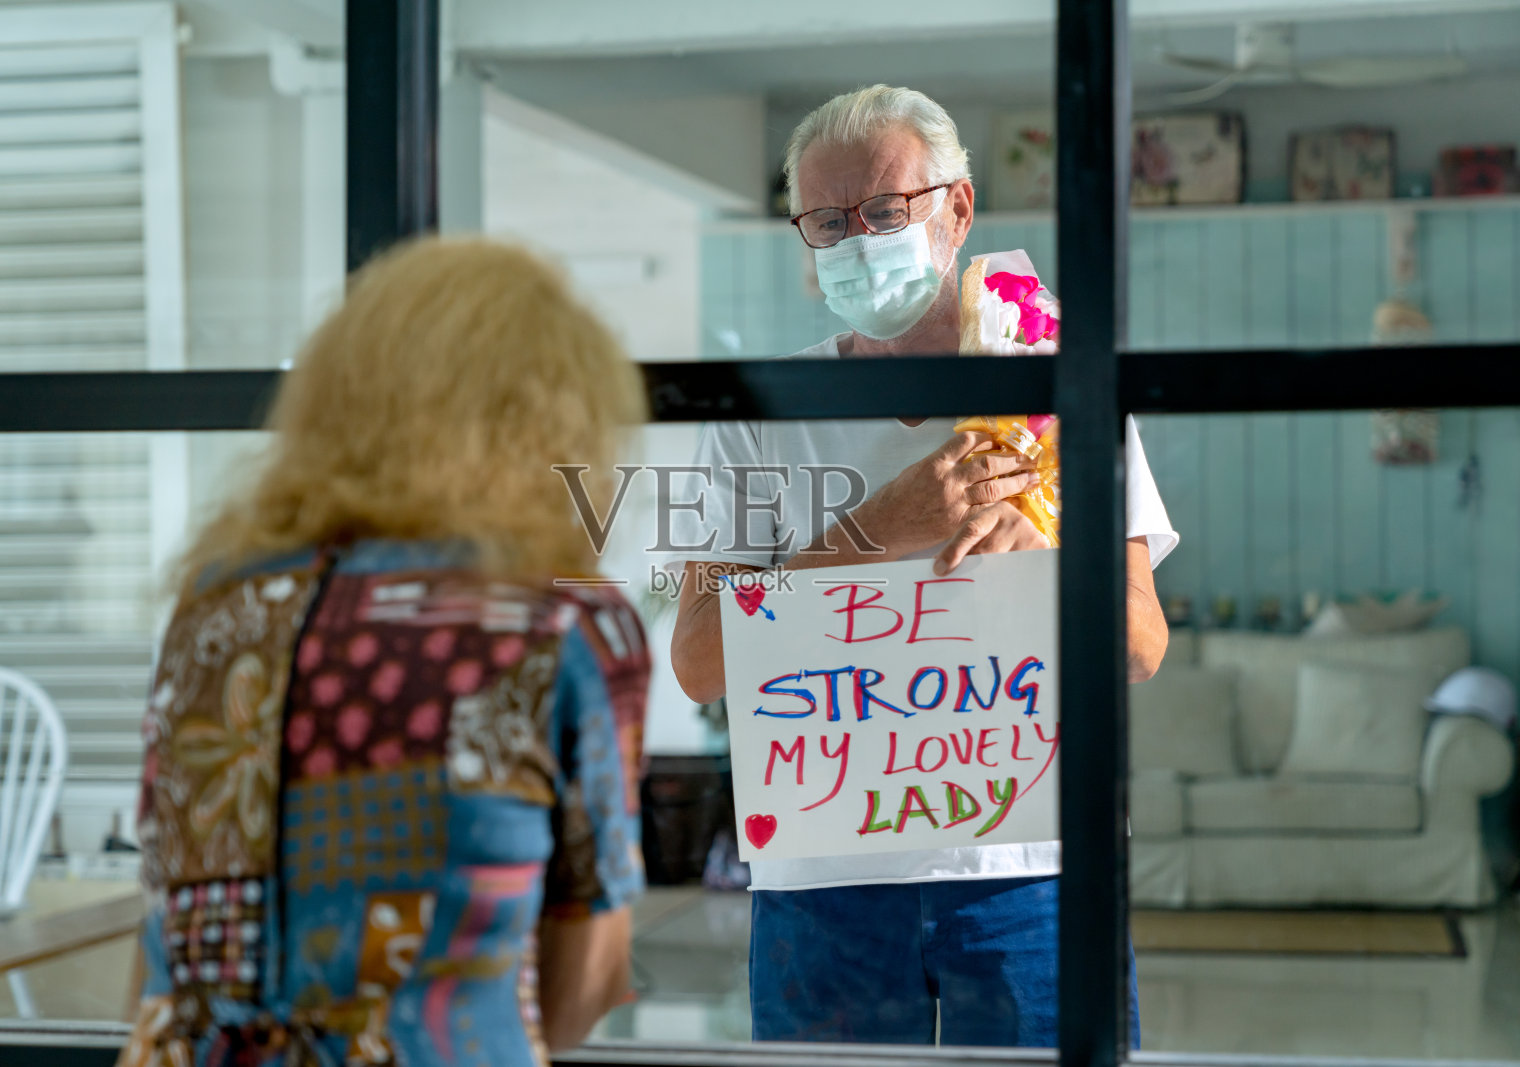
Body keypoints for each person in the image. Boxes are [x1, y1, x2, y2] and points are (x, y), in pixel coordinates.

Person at [664, 85, 1178, 1048]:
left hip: (1032, 869)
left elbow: (1142, 643)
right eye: (827, 220)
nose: (859, 240)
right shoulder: (759, 417)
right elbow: (698, 660)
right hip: (823, 876)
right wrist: (876, 529)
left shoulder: (1061, 388)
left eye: (887, 209)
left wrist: (1055, 550)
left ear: (960, 209)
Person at [120, 237, 651, 1067]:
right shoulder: (560, 626)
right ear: (555, 422)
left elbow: (159, 947)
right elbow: (581, 983)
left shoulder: (216, 606)